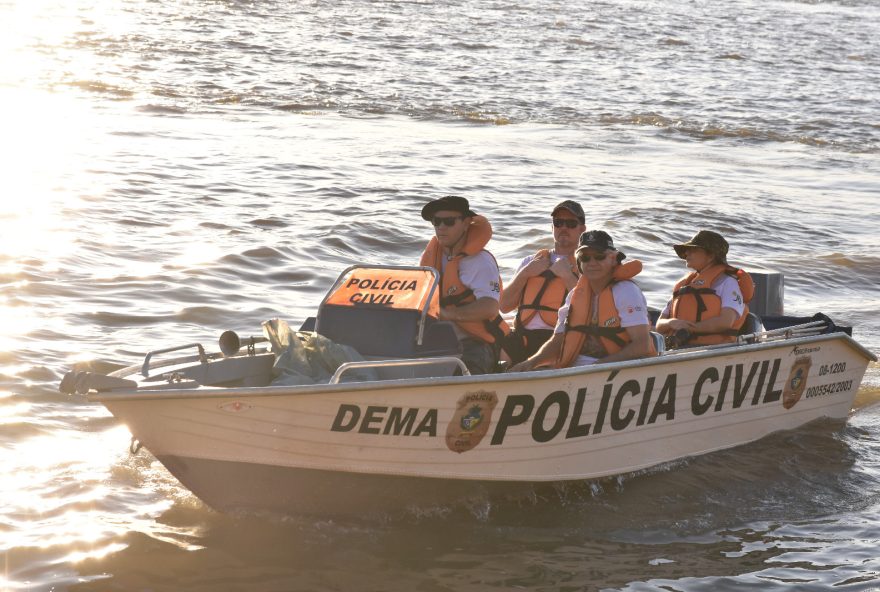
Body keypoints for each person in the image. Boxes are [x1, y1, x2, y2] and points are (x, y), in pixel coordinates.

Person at [509, 230, 655, 371]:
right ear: (579, 263)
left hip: (612, 370)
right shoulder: (574, 296)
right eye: (585, 257)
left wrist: (598, 367)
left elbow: (642, 344)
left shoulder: (625, 291)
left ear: (613, 259)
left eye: (599, 256)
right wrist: (529, 364)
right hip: (574, 371)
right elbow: (557, 341)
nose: (592, 262)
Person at [418, 196, 516, 374]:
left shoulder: (481, 262)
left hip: (477, 341)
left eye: (449, 221)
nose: (441, 227)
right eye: (436, 221)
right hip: (436, 336)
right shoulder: (432, 256)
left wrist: (448, 314)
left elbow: (490, 307)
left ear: (466, 223)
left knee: (466, 369)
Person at [499, 200, 586, 363]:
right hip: (521, 337)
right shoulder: (530, 262)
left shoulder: (587, 265)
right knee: (501, 351)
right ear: (552, 227)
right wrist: (524, 274)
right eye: (558, 223)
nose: (564, 228)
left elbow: (590, 308)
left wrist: (567, 276)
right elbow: (504, 306)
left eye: (571, 223)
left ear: (582, 229)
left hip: (558, 339)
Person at [655, 230, 754, 348]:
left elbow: (725, 322)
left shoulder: (728, 282)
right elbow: (659, 325)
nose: (686, 253)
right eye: (687, 250)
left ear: (711, 255)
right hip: (678, 349)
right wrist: (672, 323)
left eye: (693, 250)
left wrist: (690, 328)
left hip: (715, 349)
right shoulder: (684, 285)